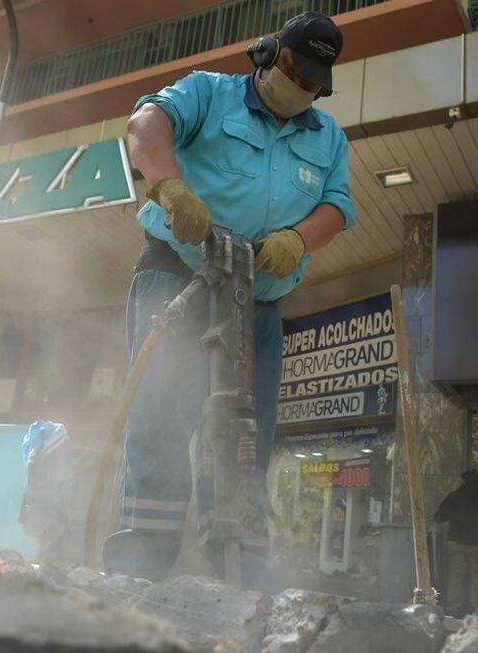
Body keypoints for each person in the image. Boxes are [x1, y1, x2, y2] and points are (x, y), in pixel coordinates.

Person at [102, 11, 356, 583]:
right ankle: (139, 568)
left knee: (243, 439)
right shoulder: (209, 94)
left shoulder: (328, 137)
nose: (301, 86)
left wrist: (298, 238)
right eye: (294, 69)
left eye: (314, 82)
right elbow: (145, 123)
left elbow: (336, 207)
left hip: (257, 306)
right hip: (180, 280)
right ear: (268, 54)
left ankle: (235, 576)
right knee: (162, 419)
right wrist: (169, 186)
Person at [433, 469, 478, 617]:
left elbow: (439, 517)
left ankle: (453, 608)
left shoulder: (455, 497)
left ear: (463, 481)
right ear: (477, 481)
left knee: (455, 577)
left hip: (457, 544)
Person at [19, 420, 77, 565]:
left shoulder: (53, 453)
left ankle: (48, 561)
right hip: (50, 511)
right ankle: (47, 561)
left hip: (52, 511)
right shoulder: (56, 451)